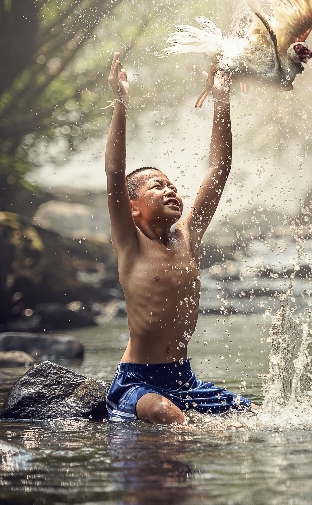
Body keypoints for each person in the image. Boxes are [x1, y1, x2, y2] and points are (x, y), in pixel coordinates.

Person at [103, 52, 253, 424]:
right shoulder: (130, 244)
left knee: (253, 415)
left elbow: (220, 167)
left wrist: (221, 98)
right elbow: (113, 171)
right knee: (164, 413)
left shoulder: (188, 236)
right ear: (132, 206)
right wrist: (121, 103)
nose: (172, 191)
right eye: (158, 186)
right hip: (138, 381)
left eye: (173, 185)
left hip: (184, 379)